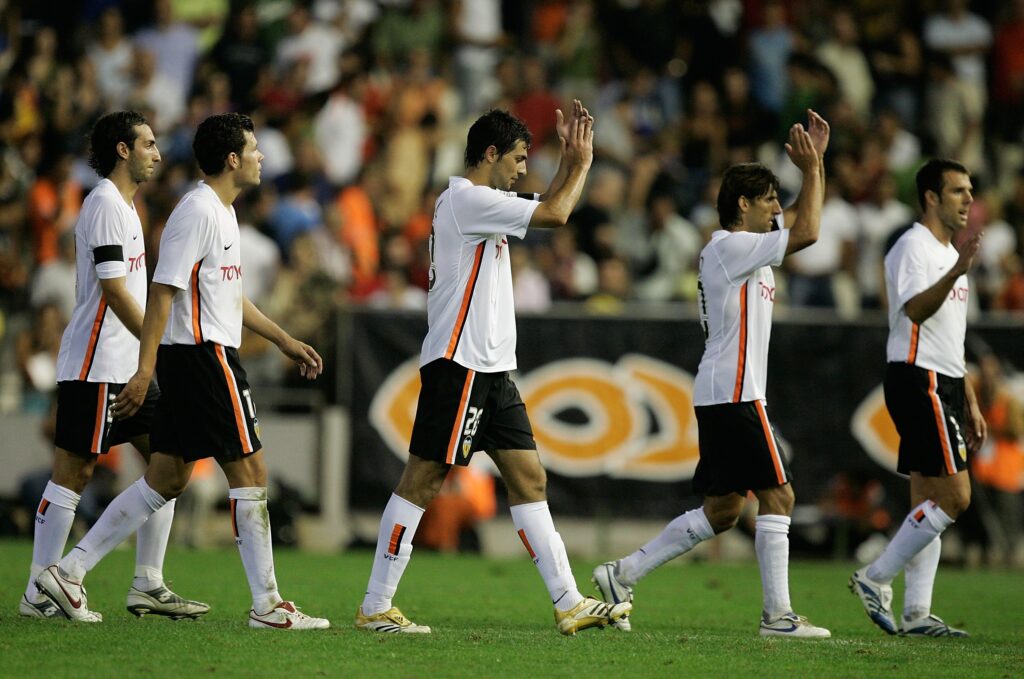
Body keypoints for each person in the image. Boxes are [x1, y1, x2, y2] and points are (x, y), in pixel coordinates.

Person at [34, 113, 330, 631]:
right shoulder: (196, 212)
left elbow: (229, 294)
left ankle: (72, 571)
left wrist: (282, 339)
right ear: (232, 159)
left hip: (196, 354)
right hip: (201, 356)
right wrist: (146, 367)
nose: (262, 157)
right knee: (250, 471)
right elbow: (162, 293)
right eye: (254, 149)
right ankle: (267, 605)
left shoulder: (221, 211)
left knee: (168, 475)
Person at [355, 102, 630, 636]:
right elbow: (556, 214)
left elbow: (546, 203)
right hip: (461, 363)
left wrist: (570, 162)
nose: (524, 169)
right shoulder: (469, 200)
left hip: (493, 371)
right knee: (423, 479)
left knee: (529, 478)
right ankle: (375, 604)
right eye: (519, 158)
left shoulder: (482, 203)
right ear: (490, 154)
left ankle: (569, 601)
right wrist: (581, 163)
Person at [593, 110, 832, 639]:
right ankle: (778, 617)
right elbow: (810, 230)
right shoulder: (729, 247)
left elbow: (798, 219)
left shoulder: (747, 250)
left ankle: (622, 573)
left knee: (723, 511)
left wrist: (812, 170)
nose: (778, 208)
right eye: (769, 199)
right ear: (742, 204)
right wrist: (814, 168)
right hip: (736, 391)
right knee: (780, 497)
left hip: (725, 390)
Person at [20, 111, 208, 622]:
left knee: (171, 463)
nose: (158, 154)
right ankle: (41, 589)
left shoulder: (127, 205)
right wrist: (157, 343)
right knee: (73, 473)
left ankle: (148, 582)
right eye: (148, 144)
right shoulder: (104, 202)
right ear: (123, 150)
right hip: (97, 362)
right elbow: (113, 290)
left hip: (129, 364)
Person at [849, 158, 985, 638]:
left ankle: (916, 613)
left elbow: (952, 336)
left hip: (943, 379)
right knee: (956, 497)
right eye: (958, 190)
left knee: (926, 500)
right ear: (931, 197)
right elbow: (915, 310)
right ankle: (875, 576)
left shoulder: (949, 253)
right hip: (917, 377)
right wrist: (958, 271)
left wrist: (969, 397)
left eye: (970, 190)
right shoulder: (914, 246)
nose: (969, 199)